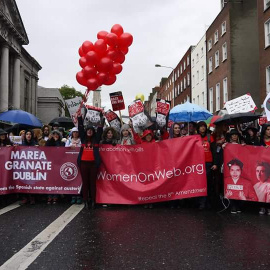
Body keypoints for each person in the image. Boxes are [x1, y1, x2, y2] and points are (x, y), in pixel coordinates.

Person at [77, 111, 103, 209]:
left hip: (93, 164)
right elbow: (80, 127)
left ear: (93, 132)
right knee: (85, 182)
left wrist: (101, 116)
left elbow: (100, 128)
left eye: (91, 130)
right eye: (88, 130)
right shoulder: (83, 139)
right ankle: (85, 200)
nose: (89, 131)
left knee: (92, 183)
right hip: (83, 164)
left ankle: (93, 200)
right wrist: (79, 117)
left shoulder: (96, 139)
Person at [196, 121, 217, 210]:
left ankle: (207, 202)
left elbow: (214, 151)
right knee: (200, 184)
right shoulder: (195, 137)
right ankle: (201, 202)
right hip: (198, 164)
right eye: (201, 127)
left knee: (208, 183)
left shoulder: (210, 137)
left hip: (208, 163)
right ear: (198, 128)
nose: (202, 128)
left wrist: (215, 163)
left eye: (204, 126)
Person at [45, 130, 65, 204]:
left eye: (57, 134)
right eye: (54, 134)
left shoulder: (62, 143)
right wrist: (49, 140)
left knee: (56, 180)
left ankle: (55, 196)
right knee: (50, 180)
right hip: (50, 163)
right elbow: (45, 149)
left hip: (58, 163)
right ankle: (49, 196)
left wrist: (57, 141)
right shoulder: (49, 142)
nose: (55, 136)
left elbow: (60, 150)